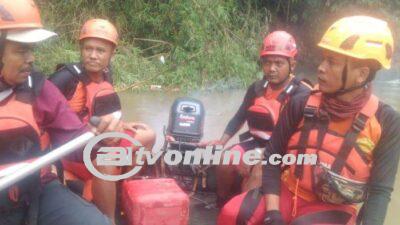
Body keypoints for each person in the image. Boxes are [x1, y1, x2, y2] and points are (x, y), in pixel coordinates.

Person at [218, 15, 400, 225]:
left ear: (361, 75)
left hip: (334, 207)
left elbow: (379, 191)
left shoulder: (386, 121)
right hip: (287, 190)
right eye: (323, 59)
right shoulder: (301, 102)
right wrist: (273, 212)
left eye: (331, 62)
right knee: (231, 214)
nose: (321, 67)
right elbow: (273, 157)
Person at [0, 0, 120, 224]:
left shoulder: (39, 88)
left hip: (36, 187)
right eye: (21, 50)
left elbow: (72, 138)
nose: (31, 58)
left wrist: (99, 137)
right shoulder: (65, 78)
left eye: (32, 49)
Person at [49, 18, 156, 222]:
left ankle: (124, 190)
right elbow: (41, 117)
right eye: (88, 49)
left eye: (100, 50)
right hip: (74, 147)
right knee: (105, 161)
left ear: (111, 53)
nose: (93, 55)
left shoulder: (107, 73)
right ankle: (109, 218)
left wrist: (123, 125)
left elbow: (102, 111)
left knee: (148, 135)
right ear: (81, 49)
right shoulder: (65, 78)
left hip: (100, 138)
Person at [199, 31, 312, 207]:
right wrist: (222, 141)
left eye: (278, 63)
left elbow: (306, 137)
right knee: (225, 161)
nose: (271, 68)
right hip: (257, 143)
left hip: (283, 150)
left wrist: (261, 159)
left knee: (259, 173)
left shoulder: (302, 93)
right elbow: (240, 116)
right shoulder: (256, 88)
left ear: (292, 64)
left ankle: (245, 212)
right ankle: (222, 204)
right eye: (267, 62)